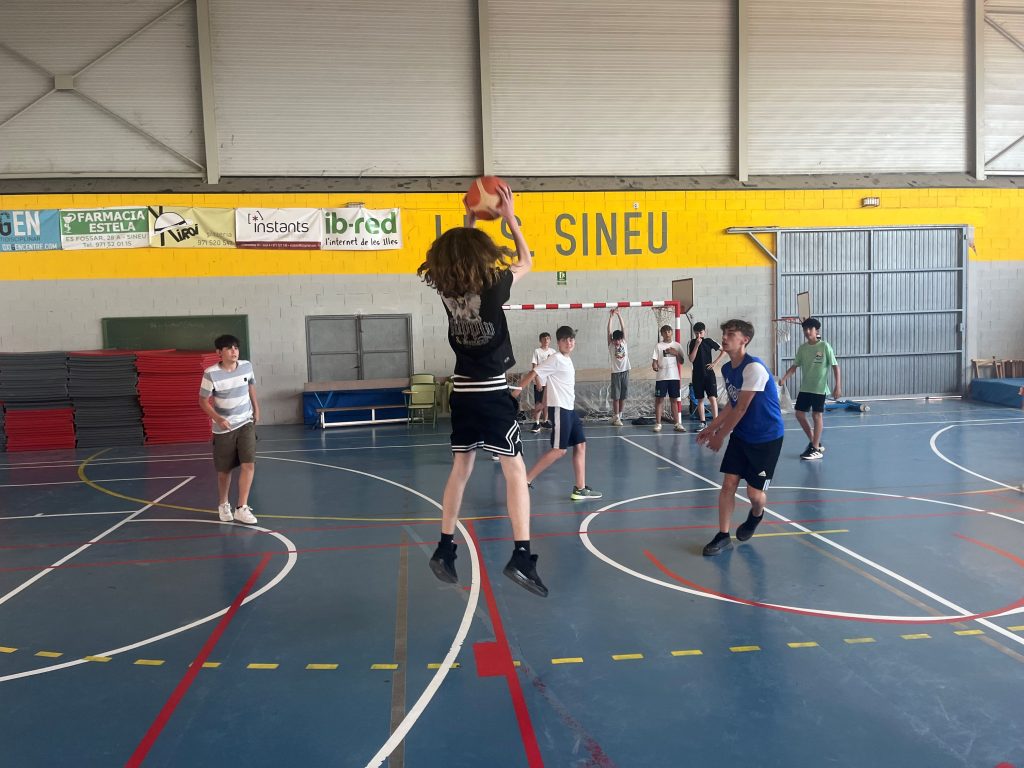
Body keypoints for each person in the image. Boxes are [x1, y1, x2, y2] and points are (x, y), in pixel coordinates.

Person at [417, 185, 547, 597]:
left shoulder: (446, 288)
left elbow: (462, 261)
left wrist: (470, 221)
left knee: (461, 469)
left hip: (462, 392)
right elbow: (527, 260)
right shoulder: (493, 285)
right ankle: (522, 555)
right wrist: (509, 218)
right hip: (491, 392)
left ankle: (444, 548)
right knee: (515, 471)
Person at [696, 319, 785, 556]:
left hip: (766, 438)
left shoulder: (754, 368)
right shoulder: (727, 369)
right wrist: (711, 428)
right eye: (724, 333)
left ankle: (756, 515)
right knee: (728, 484)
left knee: (754, 495)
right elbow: (731, 405)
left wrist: (720, 435)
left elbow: (742, 408)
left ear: (744, 340)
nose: (724, 337)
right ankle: (723, 535)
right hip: (743, 435)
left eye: (731, 334)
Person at [520, 326, 602, 501]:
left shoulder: (567, 359)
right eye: (564, 340)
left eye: (571, 339)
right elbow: (534, 372)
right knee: (559, 450)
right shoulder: (555, 358)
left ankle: (580, 489)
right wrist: (515, 393)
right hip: (560, 409)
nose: (568, 343)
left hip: (570, 410)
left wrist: (542, 403)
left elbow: (550, 383)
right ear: (558, 342)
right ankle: (524, 480)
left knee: (580, 445)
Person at [198, 335, 260, 525]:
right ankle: (223, 504)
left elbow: (251, 386)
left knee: (249, 464)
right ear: (219, 352)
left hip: (246, 422)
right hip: (224, 428)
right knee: (224, 471)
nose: (234, 351)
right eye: (229, 348)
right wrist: (218, 419)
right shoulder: (211, 374)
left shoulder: (246, 366)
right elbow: (202, 401)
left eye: (236, 348)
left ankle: (242, 507)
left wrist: (256, 409)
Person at [778, 317, 841, 461]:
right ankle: (814, 442)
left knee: (816, 415)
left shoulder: (824, 346)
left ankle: (815, 449)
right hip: (806, 387)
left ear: (816, 330)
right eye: (805, 329)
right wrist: (784, 378)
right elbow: (795, 366)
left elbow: (835, 366)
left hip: (819, 388)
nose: (807, 332)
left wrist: (838, 386)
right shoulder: (803, 348)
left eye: (809, 329)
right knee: (799, 414)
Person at [687, 322, 724, 432]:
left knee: (712, 398)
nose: (699, 335)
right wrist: (697, 345)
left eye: (701, 333)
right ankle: (702, 422)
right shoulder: (691, 343)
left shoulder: (709, 341)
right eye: (696, 333)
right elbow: (691, 359)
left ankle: (716, 422)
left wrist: (715, 363)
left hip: (709, 374)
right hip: (697, 375)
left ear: (704, 331)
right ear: (694, 333)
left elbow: (724, 350)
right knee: (700, 399)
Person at [651, 325, 687, 432]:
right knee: (659, 400)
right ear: (661, 334)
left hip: (674, 377)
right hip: (661, 377)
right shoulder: (658, 346)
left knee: (674, 400)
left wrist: (676, 353)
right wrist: (654, 365)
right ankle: (658, 424)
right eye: (665, 332)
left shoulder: (677, 345)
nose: (667, 333)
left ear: (672, 332)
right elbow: (654, 361)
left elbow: (682, 361)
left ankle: (677, 424)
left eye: (669, 331)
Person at [607, 309, 630, 426]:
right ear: (613, 340)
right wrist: (611, 317)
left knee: (623, 396)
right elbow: (609, 331)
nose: (617, 342)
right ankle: (616, 416)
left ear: (621, 339)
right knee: (616, 397)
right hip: (616, 373)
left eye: (619, 339)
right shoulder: (611, 345)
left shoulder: (624, 343)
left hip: (625, 371)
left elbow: (623, 328)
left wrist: (619, 315)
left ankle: (619, 416)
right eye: (615, 339)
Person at [530, 332, 556, 433]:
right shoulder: (537, 351)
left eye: (548, 338)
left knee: (547, 402)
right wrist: (537, 381)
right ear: (540, 340)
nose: (546, 340)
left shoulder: (553, 352)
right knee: (539, 402)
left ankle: (545, 421)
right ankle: (536, 423)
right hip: (540, 381)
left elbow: (555, 367)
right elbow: (534, 368)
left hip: (550, 381)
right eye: (544, 339)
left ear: (550, 340)